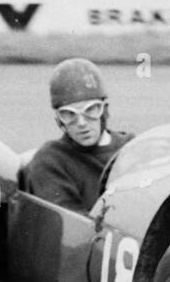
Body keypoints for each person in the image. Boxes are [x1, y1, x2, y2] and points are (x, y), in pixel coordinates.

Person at [24, 58, 133, 213]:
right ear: (59, 120)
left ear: (105, 110)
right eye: (69, 114)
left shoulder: (131, 147)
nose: (81, 122)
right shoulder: (50, 160)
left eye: (90, 110)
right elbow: (72, 226)